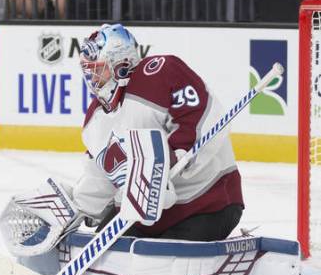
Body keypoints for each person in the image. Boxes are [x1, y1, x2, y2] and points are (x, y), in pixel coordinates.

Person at [74, 24, 243, 240]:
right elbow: (103, 173)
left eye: (98, 69)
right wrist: (80, 208)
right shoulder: (95, 119)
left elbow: (203, 116)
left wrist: (168, 165)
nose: (93, 79)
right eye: (88, 70)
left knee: (165, 262)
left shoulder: (162, 73)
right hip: (144, 216)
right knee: (105, 252)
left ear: (121, 65)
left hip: (206, 204)